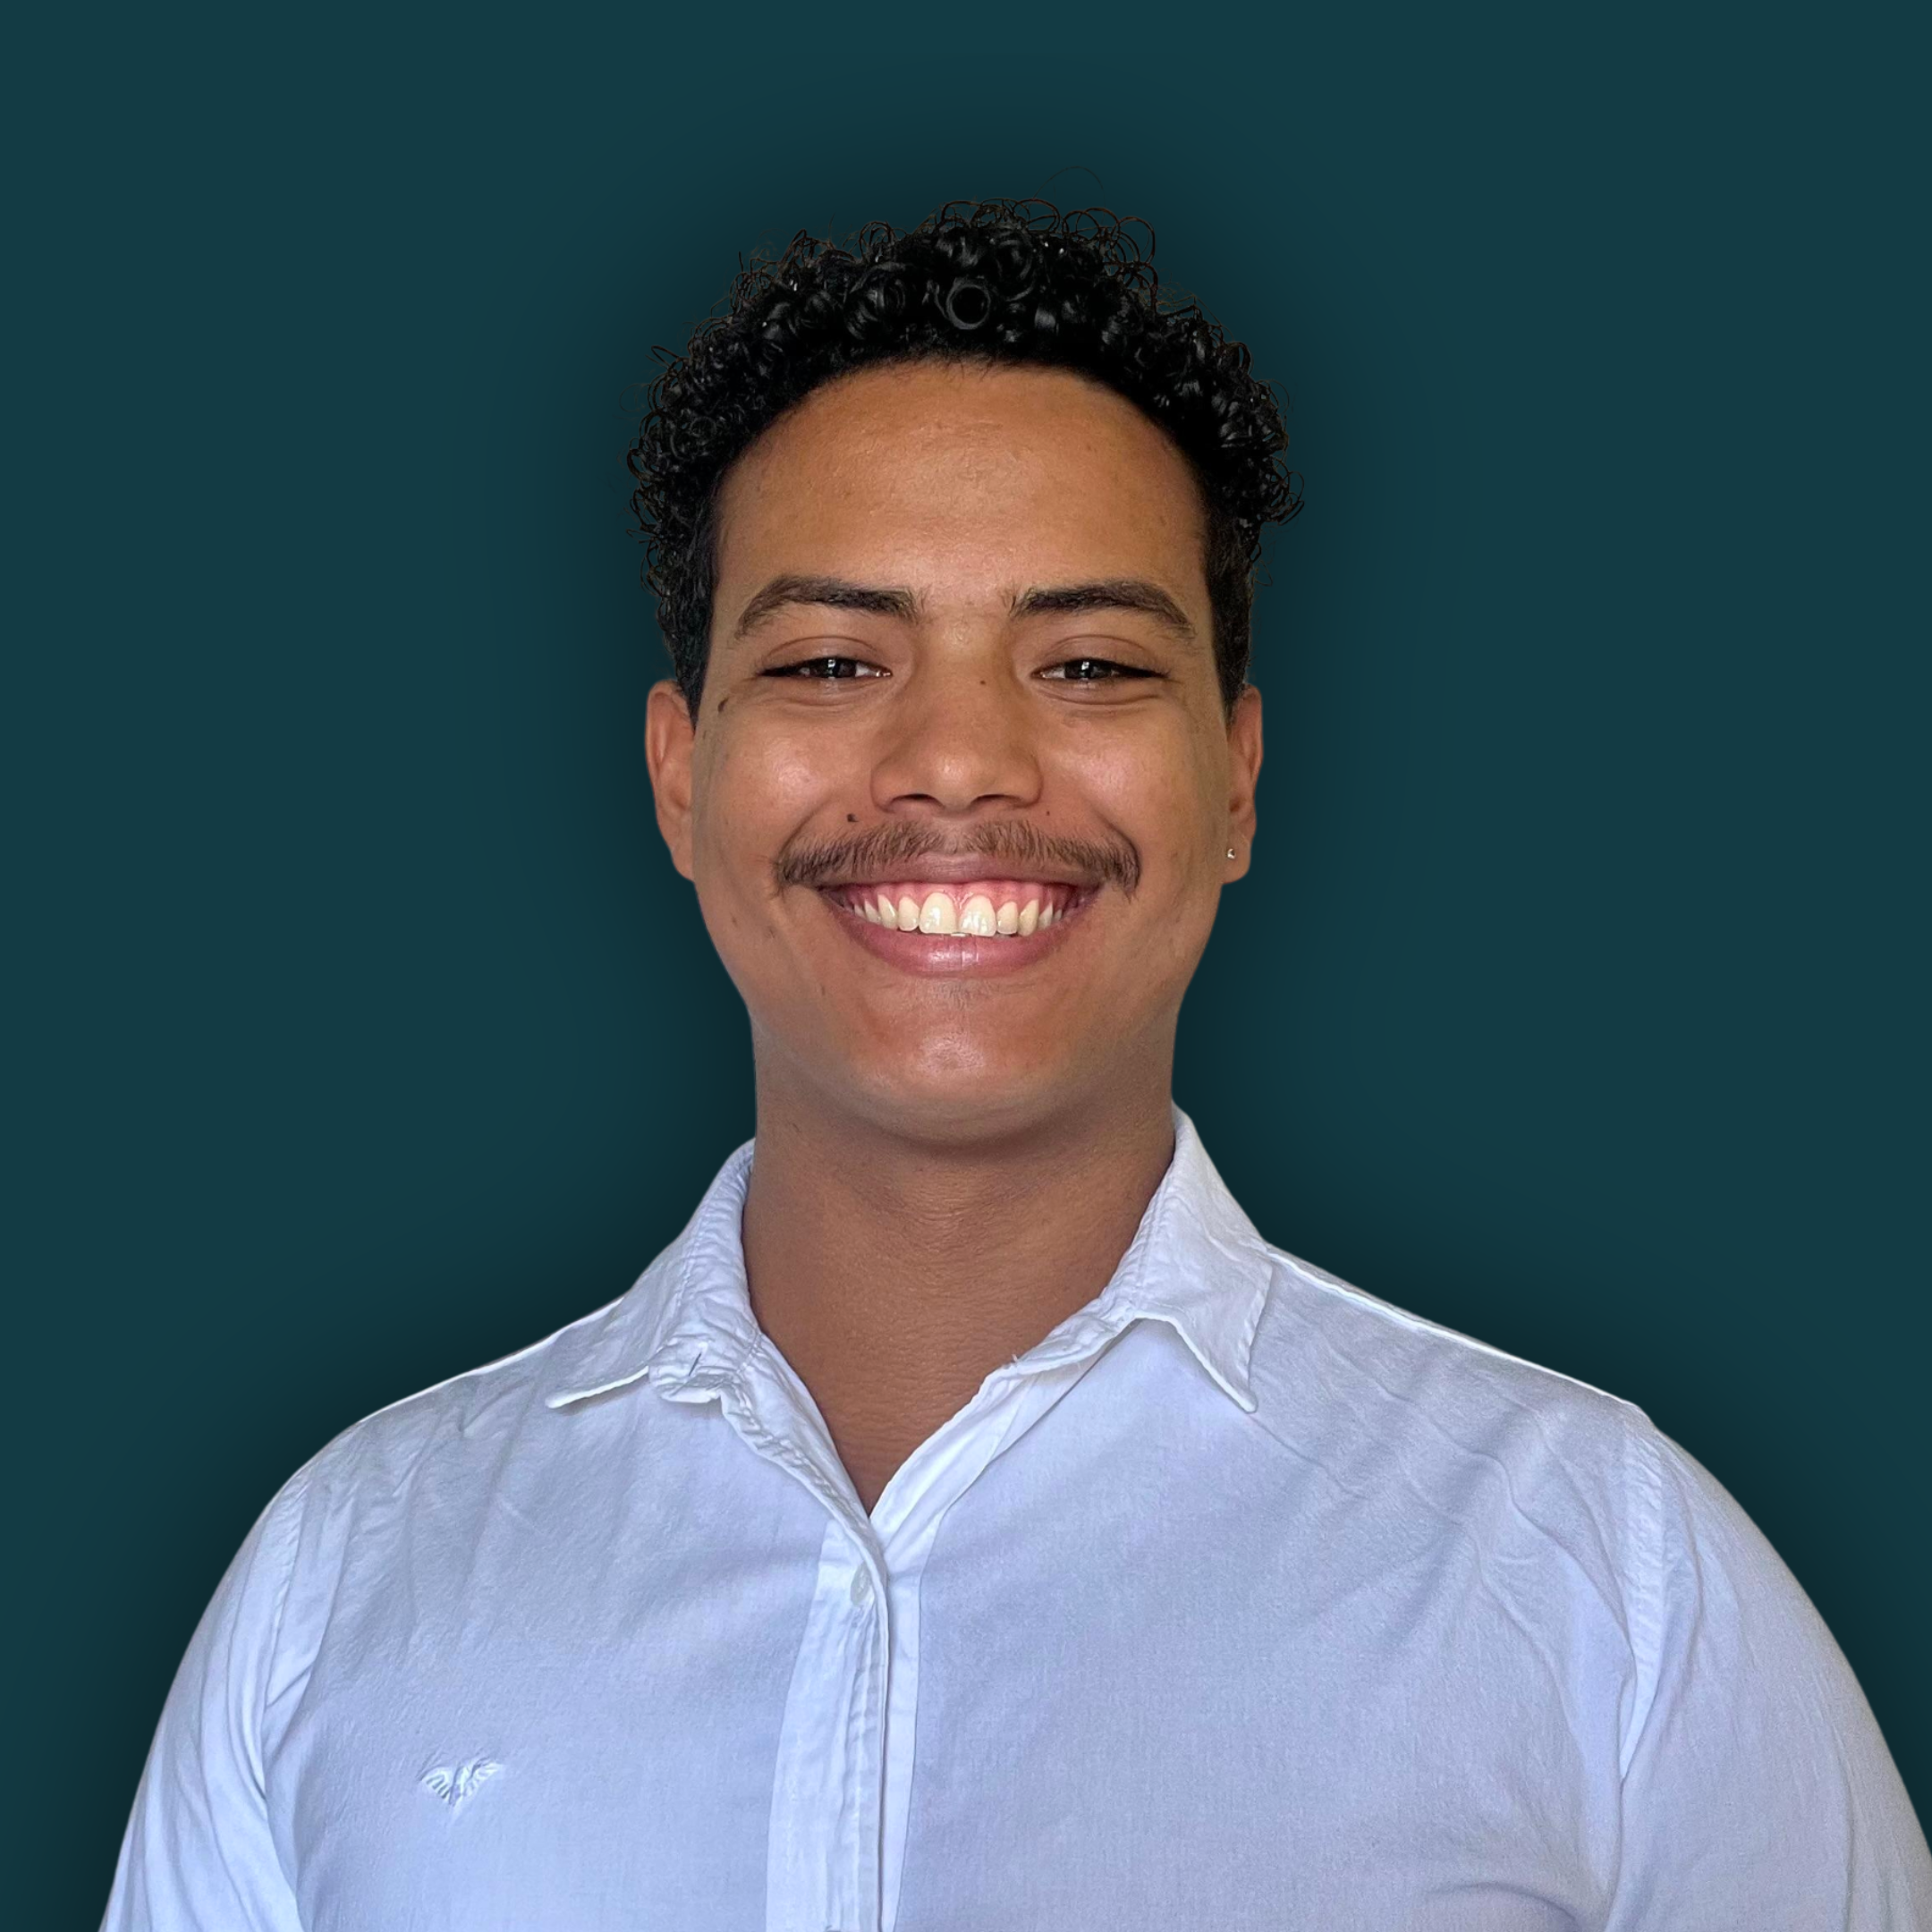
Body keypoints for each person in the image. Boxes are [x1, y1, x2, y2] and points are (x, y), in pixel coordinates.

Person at [103, 202, 1929, 1931]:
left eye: (1088, 664)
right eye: (832, 661)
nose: (960, 759)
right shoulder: (350, 1572)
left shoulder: (1602, 1571)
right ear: (679, 775)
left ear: (1237, 779)